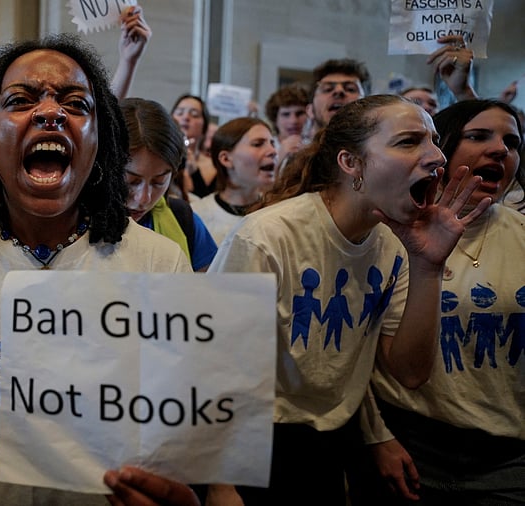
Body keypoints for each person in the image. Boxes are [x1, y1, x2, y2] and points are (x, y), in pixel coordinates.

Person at [0, 33, 200, 506]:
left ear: (99, 142)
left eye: (75, 103)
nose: (49, 112)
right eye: (21, 101)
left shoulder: (159, 265)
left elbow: (183, 437)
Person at [205, 94, 490, 505]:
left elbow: (410, 372)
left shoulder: (396, 239)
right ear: (351, 163)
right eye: (409, 141)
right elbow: (217, 365)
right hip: (254, 438)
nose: (436, 156)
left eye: (433, 141)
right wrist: (220, 482)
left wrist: (428, 266)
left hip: (328, 439)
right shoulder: (267, 237)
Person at [349, 99, 525, 505]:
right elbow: (350, 354)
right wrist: (378, 436)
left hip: (507, 458)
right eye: (479, 136)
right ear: (438, 149)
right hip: (405, 446)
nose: (501, 149)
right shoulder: (386, 232)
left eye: (512, 142)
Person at [120, 97, 218, 271]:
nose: (144, 198)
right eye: (132, 181)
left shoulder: (185, 221)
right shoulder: (69, 224)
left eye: (158, 182)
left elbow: (207, 292)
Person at [191, 117, 278, 245]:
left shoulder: (277, 213)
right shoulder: (197, 216)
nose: (273, 151)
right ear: (226, 159)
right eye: (258, 144)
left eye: (272, 143)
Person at [305, 58, 370, 138]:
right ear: (310, 110)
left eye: (350, 89)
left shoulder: (382, 149)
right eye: (328, 89)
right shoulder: (292, 150)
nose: (339, 91)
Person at [171, 94, 216, 198]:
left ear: (205, 126)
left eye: (194, 114)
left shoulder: (214, 166)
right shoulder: (161, 159)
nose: (186, 117)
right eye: (180, 113)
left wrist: (196, 174)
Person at [264, 83, 309, 162]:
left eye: (299, 113)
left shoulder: (314, 147)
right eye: (286, 114)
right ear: (275, 118)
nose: (293, 121)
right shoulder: (265, 149)